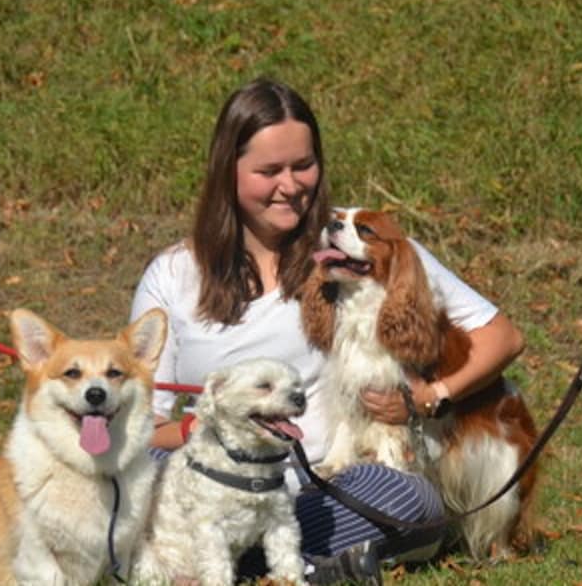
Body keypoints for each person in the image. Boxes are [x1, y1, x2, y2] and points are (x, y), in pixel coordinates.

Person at [129, 77, 525, 583]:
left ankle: (230, 565)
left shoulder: (360, 250)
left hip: (322, 485)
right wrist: (196, 429)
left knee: (411, 498)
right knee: (143, 481)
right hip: (212, 483)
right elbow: (139, 426)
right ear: (226, 172)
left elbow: (504, 337)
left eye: (303, 166)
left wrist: (430, 396)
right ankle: (300, 568)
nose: (291, 186)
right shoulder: (172, 275)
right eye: (269, 170)